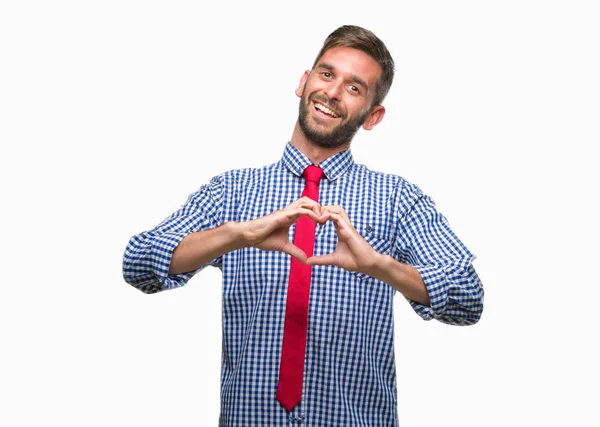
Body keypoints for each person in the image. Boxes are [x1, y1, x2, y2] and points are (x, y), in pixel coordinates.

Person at [123, 24, 484, 426]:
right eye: (327, 74)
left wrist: (379, 266)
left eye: (354, 87)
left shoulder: (398, 199)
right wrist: (235, 235)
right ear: (303, 81)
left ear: (373, 116)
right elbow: (138, 264)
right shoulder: (232, 192)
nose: (332, 92)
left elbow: (468, 297)